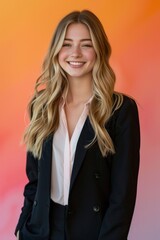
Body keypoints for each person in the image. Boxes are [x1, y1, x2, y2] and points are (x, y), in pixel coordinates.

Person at [15, 9, 140, 240]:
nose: (75, 53)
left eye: (86, 44)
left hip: (92, 232)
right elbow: (34, 179)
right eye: (67, 44)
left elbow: (122, 196)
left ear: (99, 50)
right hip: (41, 232)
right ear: (56, 50)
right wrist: (22, 227)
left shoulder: (121, 110)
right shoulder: (42, 105)